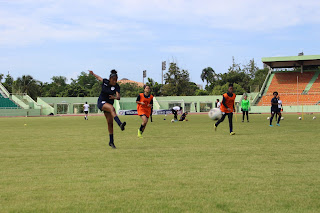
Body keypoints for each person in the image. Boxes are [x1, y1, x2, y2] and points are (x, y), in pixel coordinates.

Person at [89, 69, 126, 149]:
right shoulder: (105, 82)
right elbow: (99, 78)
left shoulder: (116, 86)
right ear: (110, 79)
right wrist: (93, 74)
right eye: (113, 80)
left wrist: (114, 97)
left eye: (116, 80)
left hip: (109, 104)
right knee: (112, 108)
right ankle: (120, 124)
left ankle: (111, 142)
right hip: (101, 102)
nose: (115, 81)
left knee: (110, 123)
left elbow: (118, 97)